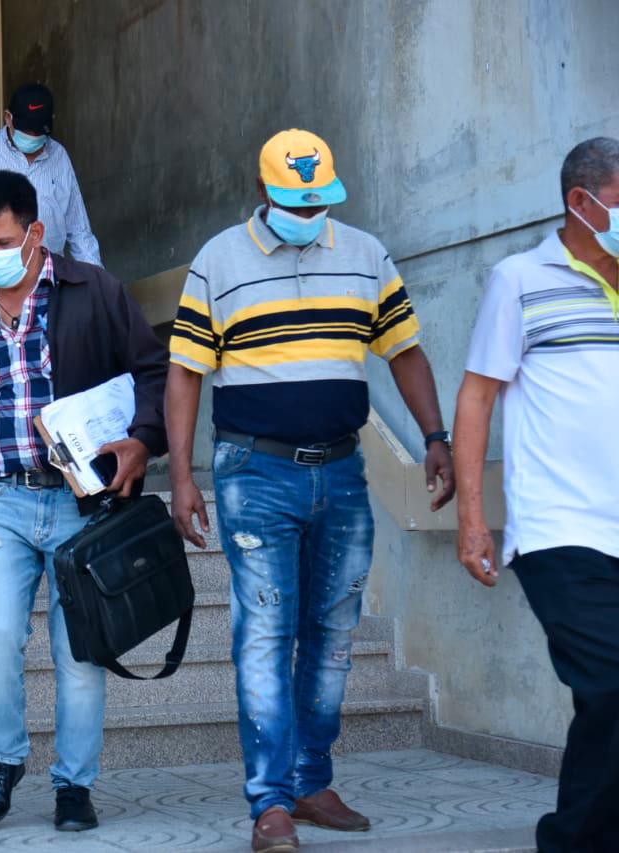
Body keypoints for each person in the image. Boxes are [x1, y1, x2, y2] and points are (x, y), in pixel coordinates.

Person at [164, 129, 455, 852]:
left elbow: (405, 349)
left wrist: (436, 436)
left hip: (344, 471)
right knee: (264, 632)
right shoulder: (218, 261)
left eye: (320, 199)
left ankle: (311, 777)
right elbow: (185, 372)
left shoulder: (364, 254)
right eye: (296, 200)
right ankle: (270, 801)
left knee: (332, 635)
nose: (310, 210)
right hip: (254, 473)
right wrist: (180, 475)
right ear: (264, 192)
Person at [0, 170, 168, 833]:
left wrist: (142, 441)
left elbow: (153, 368)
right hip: (2, 498)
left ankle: (74, 785)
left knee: (80, 652)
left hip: (82, 501)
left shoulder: (92, 289)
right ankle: (3, 761)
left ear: (35, 232)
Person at [453, 137, 619, 853]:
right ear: (580, 202)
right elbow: (477, 397)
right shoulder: (518, 278)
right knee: (612, 683)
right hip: (561, 526)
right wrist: (472, 520)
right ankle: (572, 840)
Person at [0, 83, 101, 319]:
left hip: (46, 284)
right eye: (28, 131)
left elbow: (79, 231)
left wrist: (98, 283)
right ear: (8, 118)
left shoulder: (59, 156)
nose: (34, 138)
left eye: (40, 132)